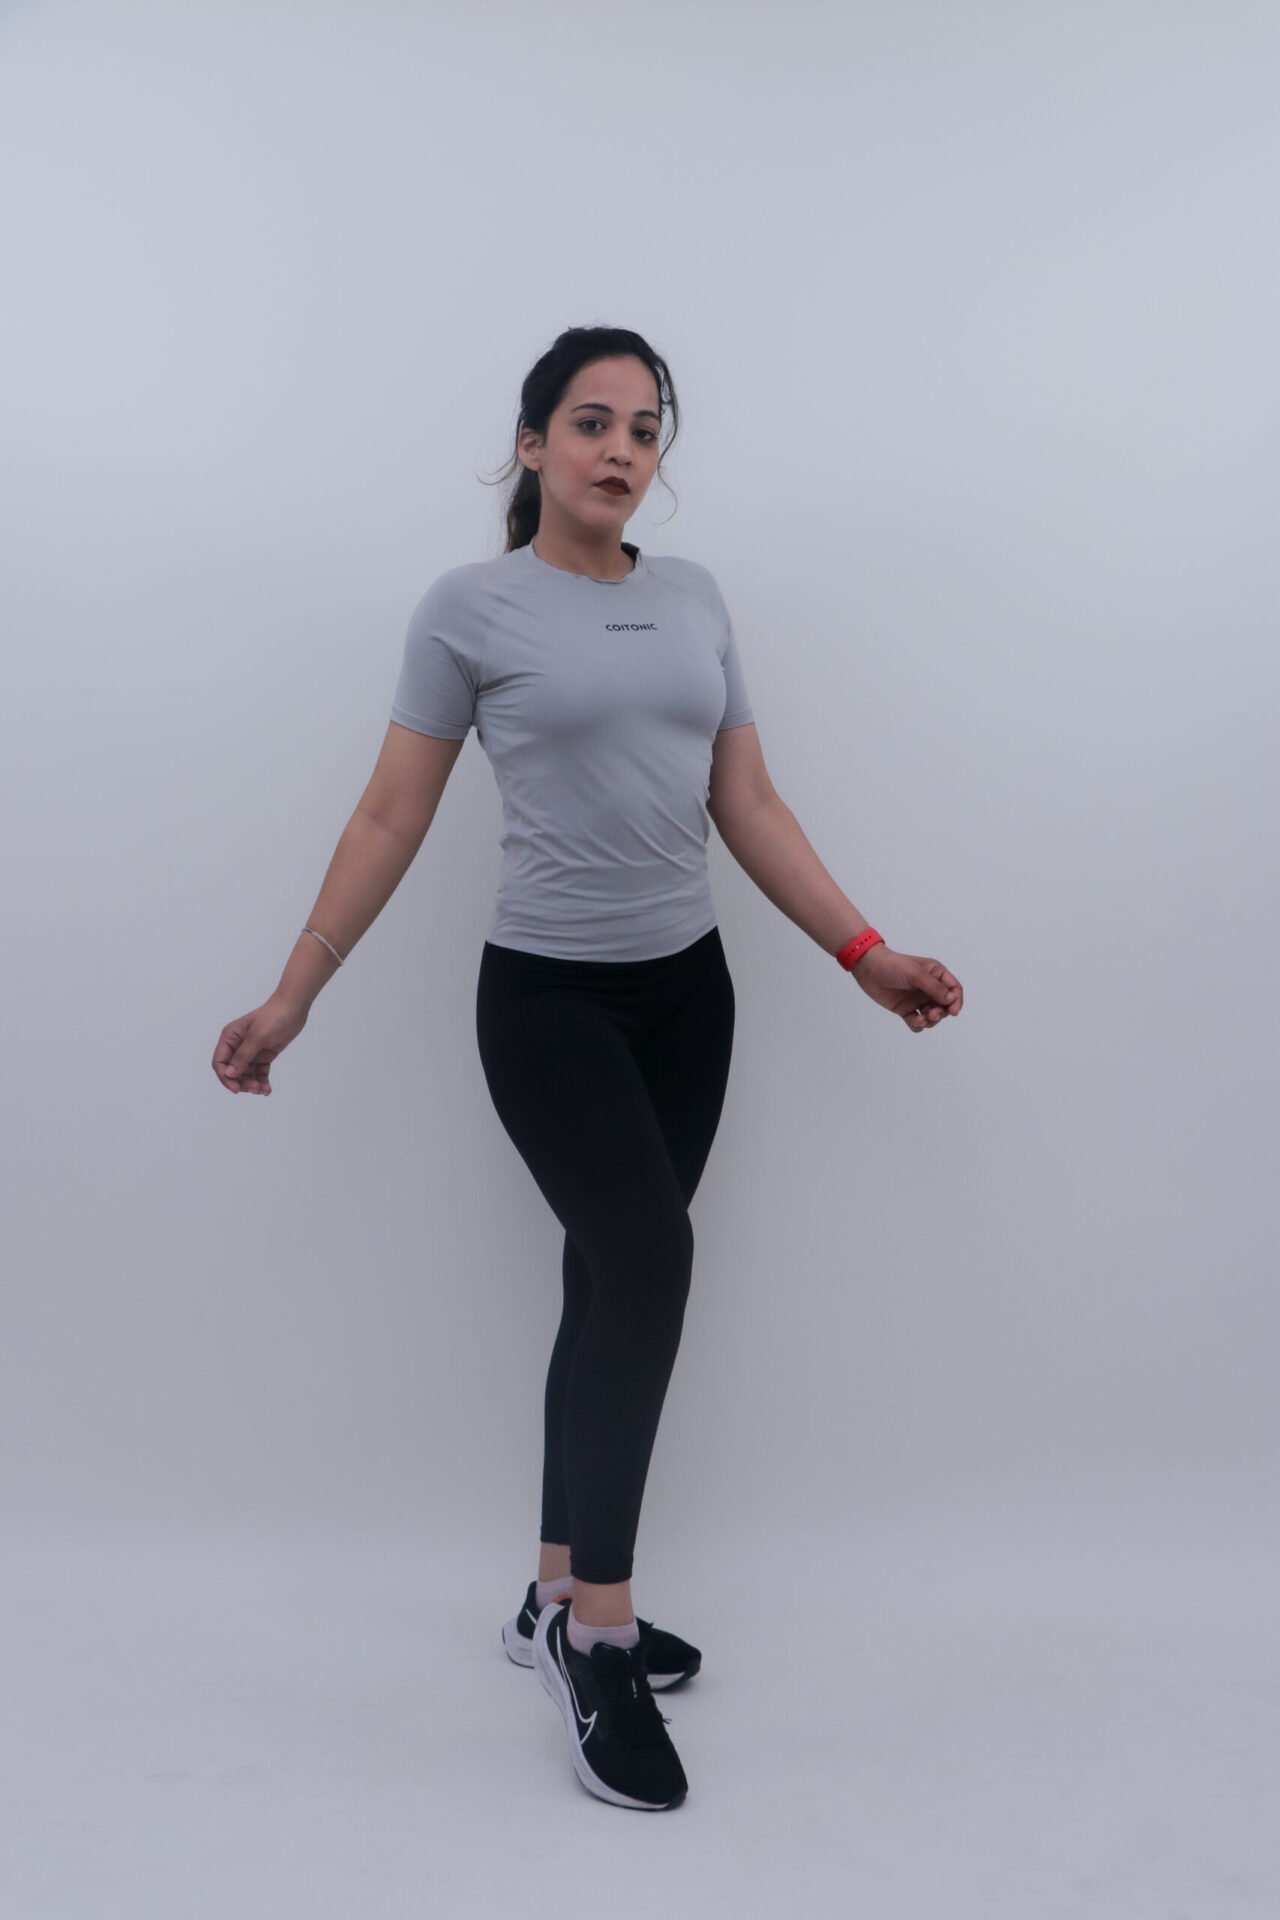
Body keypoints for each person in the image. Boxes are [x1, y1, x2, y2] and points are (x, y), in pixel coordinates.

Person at [211, 324, 964, 1812]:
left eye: (647, 428)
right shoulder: (470, 608)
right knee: (649, 1263)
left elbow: (749, 802)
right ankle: (600, 1639)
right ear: (534, 442)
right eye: (594, 421)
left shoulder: (695, 598)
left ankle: (552, 1591)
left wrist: (863, 951)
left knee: (605, 1279)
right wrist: (296, 993)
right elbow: (388, 817)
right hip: (548, 1003)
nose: (624, 449)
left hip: (688, 998)